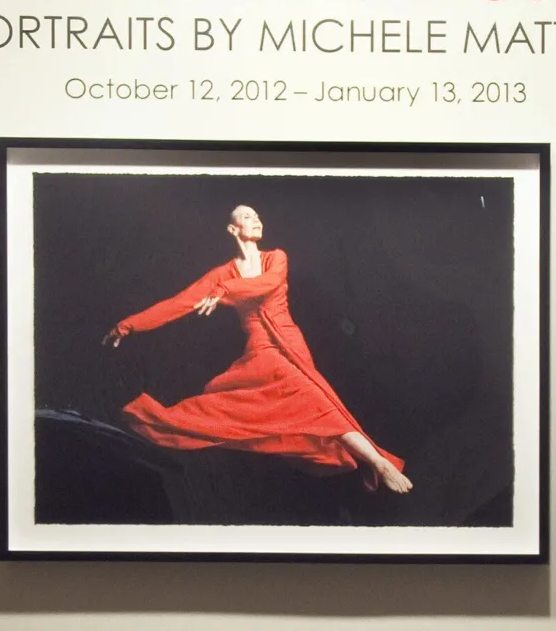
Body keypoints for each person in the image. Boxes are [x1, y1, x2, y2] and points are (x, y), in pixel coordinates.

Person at [103, 205, 413, 494]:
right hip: (262, 351)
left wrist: (227, 290)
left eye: (258, 217)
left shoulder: (275, 258)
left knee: (318, 400)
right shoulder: (220, 274)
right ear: (232, 228)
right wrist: (128, 325)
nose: (257, 220)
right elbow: (180, 303)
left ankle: (377, 461)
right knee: (303, 400)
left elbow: (269, 283)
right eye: (248, 216)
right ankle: (379, 462)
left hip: (290, 342)